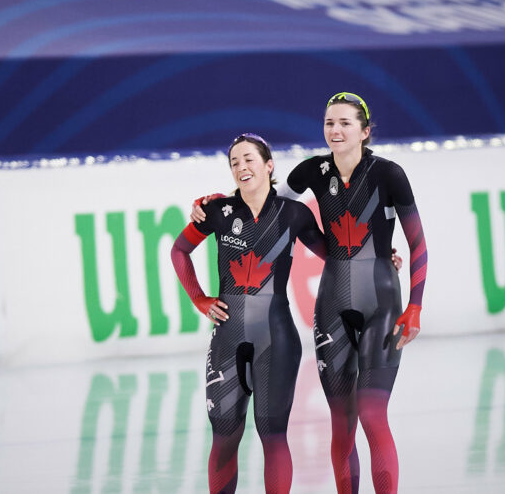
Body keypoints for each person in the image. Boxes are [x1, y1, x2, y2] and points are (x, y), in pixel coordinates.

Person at [192, 93, 428, 494]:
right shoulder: (312, 172)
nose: (335, 130)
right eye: (328, 123)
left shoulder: (390, 174)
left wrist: (416, 305)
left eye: (345, 123)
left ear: (365, 131)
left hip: (382, 303)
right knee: (342, 421)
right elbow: (261, 200)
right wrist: (214, 203)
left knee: (372, 415)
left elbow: (418, 244)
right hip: (332, 305)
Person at [171, 133, 328, 494]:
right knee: (225, 433)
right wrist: (199, 299)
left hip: (278, 338)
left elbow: (335, 255)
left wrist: (386, 255)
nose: (241, 167)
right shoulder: (216, 211)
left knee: (272, 434)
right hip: (227, 337)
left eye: (249, 159)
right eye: (234, 162)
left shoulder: (295, 214)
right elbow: (179, 251)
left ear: (269, 166)